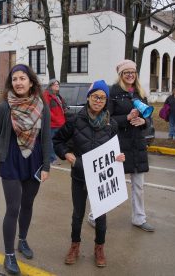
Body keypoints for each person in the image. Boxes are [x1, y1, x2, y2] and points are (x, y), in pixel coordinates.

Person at [0, 63, 50, 275]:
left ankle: (22, 240)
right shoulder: (5, 107)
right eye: (15, 79)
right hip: (11, 160)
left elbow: (47, 137)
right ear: (11, 83)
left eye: (22, 78)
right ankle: (9, 255)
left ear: (31, 82)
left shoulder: (42, 106)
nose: (18, 82)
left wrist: (47, 165)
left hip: (35, 161)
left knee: (28, 204)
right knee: (13, 208)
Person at [53, 80, 125, 267]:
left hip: (101, 178)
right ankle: (74, 246)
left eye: (102, 98)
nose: (98, 100)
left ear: (106, 101)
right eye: (95, 96)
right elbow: (58, 140)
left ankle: (99, 248)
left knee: (101, 215)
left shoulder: (112, 124)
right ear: (88, 98)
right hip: (79, 175)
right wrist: (67, 155)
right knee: (78, 214)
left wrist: (120, 157)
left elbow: (116, 149)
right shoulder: (75, 120)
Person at [109, 59, 155, 232]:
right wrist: (126, 118)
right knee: (110, 184)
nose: (130, 75)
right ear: (121, 74)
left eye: (132, 72)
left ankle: (139, 218)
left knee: (139, 186)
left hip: (137, 144)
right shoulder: (113, 92)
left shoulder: (140, 93)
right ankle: (95, 215)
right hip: (120, 144)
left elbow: (148, 118)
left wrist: (143, 121)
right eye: (126, 72)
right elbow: (107, 119)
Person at [43, 78, 66, 165]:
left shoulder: (57, 96)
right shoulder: (46, 95)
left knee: (57, 141)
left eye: (58, 85)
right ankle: (51, 159)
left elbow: (61, 107)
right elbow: (46, 110)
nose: (57, 86)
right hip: (52, 123)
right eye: (55, 85)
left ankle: (54, 157)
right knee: (51, 142)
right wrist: (56, 118)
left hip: (60, 123)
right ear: (51, 86)